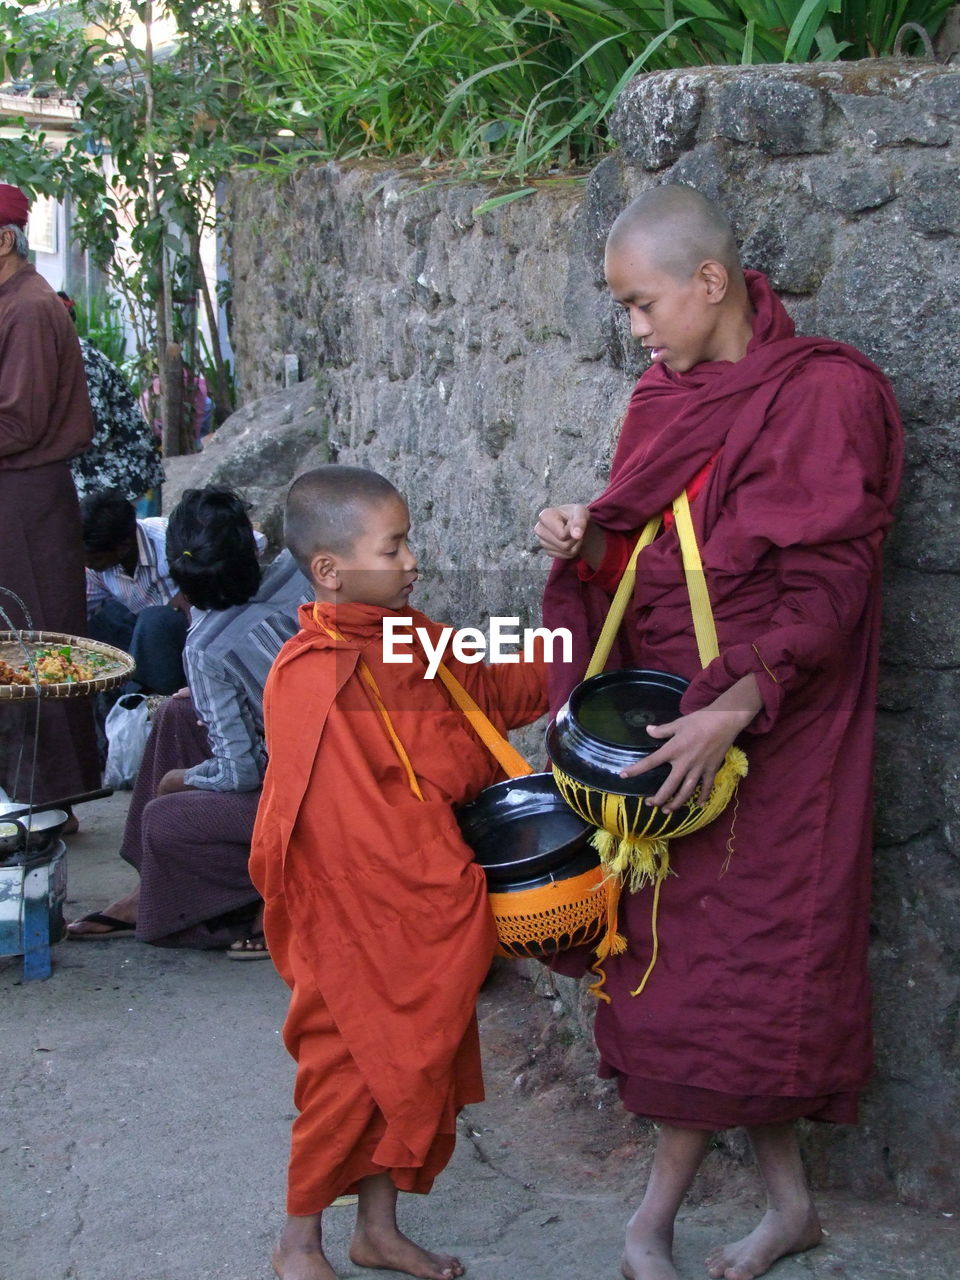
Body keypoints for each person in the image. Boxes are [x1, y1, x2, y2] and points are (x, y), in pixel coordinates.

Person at [535, 185, 903, 1280]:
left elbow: (833, 583)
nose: (636, 332)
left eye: (643, 305)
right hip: (665, 713)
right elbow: (644, 543)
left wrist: (732, 707)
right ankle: (791, 1207)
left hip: (772, 725)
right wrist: (580, 532)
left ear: (710, 281)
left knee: (723, 973)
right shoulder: (667, 393)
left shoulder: (824, 393)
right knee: (706, 975)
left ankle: (651, 1219)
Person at [249, 465, 547, 1280]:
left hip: (426, 908)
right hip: (354, 920)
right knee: (345, 1074)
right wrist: (400, 890)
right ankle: (297, 1241)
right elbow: (306, 826)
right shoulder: (305, 676)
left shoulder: (417, 637)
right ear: (330, 570)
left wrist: (592, 641)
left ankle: (376, 1231)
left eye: (410, 539)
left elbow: (496, 685)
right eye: (395, 545)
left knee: (417, 1070)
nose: (414, 560)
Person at [68, 487, 310, 950]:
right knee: (177, 713)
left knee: (166, 813)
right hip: (309, 745)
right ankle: (151, 889)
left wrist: (181, 779)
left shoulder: (206, 647)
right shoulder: (300, 573)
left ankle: (245, 905)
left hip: (313, 785)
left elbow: (242, 771)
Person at [0, 182, 100, 812]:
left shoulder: (29, 307)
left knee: (34, 642)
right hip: (16, 494)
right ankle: (25, 795)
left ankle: (49, 800)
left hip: (26, 498)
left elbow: (19, 422)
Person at [56, 291, 165, 507]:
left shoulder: (82, 361)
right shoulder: (61, 357)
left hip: (125, 482)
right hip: (103, 483)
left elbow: (95, 428)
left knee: (133, 540)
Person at [82, 489, 190, 696]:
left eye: (92, 558)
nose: (86, 563)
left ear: (123, 547)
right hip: (145, 639)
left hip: (188, 634)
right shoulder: (98, 568)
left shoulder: (169, 536)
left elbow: (256, 540)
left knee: (155, 619)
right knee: (94, 626)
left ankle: (146, 699)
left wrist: (190, 594)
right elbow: (80, 609)